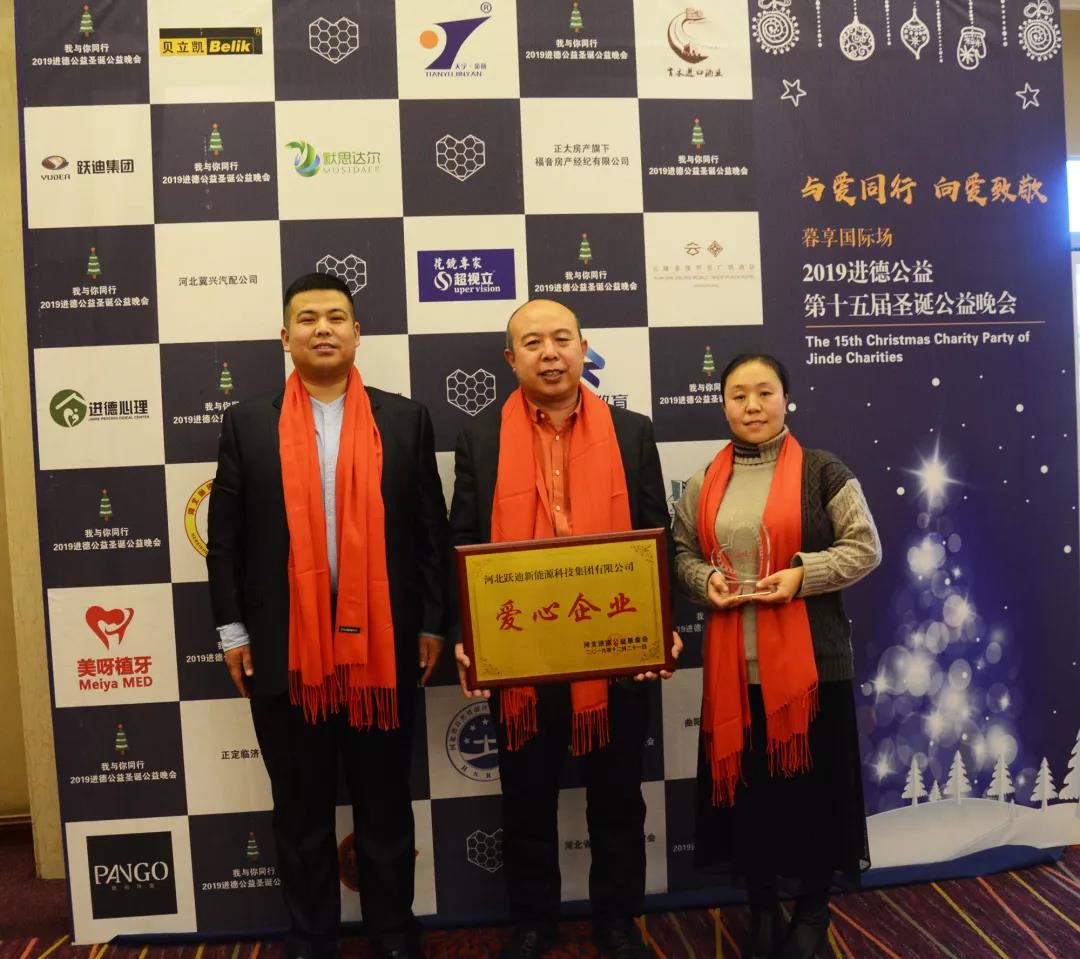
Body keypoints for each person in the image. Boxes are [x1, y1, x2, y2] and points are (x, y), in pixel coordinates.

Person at [206, 272, 449, 959]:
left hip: (384, 648)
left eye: (336, 317)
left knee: (385, 806)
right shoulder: (248, 423)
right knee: (301, 811)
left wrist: (432, 623)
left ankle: (393, 934)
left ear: (356, 333)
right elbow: (225, 540)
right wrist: (233, 630)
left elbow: (430, 533)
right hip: (286, 651)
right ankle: (311, 939)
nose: (323, 328)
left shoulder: (404, 419)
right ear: (286, 337)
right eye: (308, 318)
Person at [450, 299, 681, 959]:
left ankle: (617, 921)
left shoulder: (632, 432)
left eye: (561, 339)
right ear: (511, 358)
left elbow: (655, 534)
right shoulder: (481, 439)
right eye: (532, 342)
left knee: (618, 800)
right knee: (526, 802)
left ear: (583, 348)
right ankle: (533, 923)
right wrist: (468, 635)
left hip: (613, 649)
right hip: (522, 655)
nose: (548, 353)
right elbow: (463, 538)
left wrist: (659, 623)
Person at [672, 353, 881, 959]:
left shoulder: (823, 471)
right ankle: (761, 905)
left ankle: (813, 910)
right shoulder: (704, 481)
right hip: (735, 672)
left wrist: (801, 575)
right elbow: (681, 552)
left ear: (786, 399)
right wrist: (703, 579)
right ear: (723, 405)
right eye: (739, 395)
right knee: (751, 800)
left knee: (813, 797)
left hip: (812, 669)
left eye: (765, 393)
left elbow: (864, 547)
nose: (752, 406)